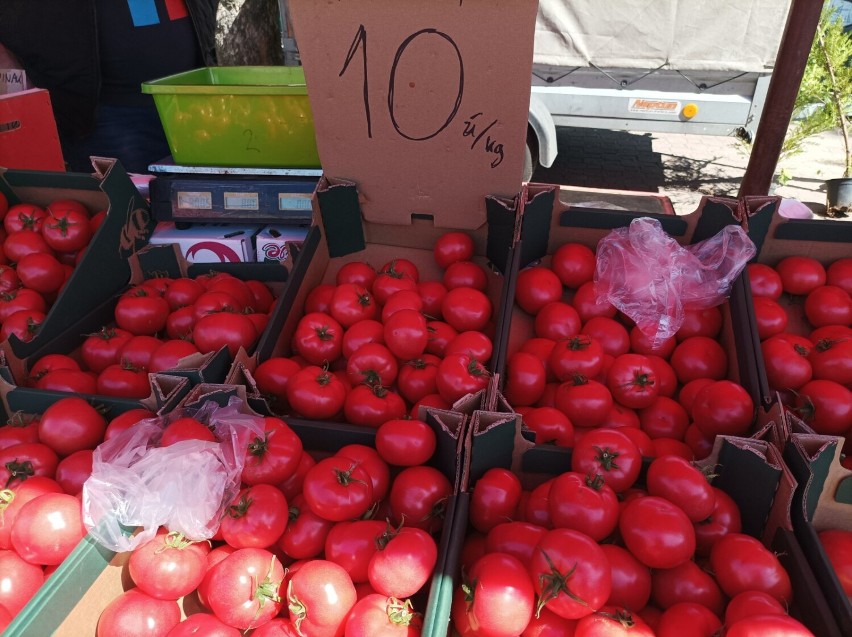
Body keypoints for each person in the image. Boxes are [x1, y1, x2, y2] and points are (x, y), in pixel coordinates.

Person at [0, 0, 219, 174]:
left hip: (192, 102)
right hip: (102, 113)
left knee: (200, 218)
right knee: (130, 220)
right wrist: (12, 77)